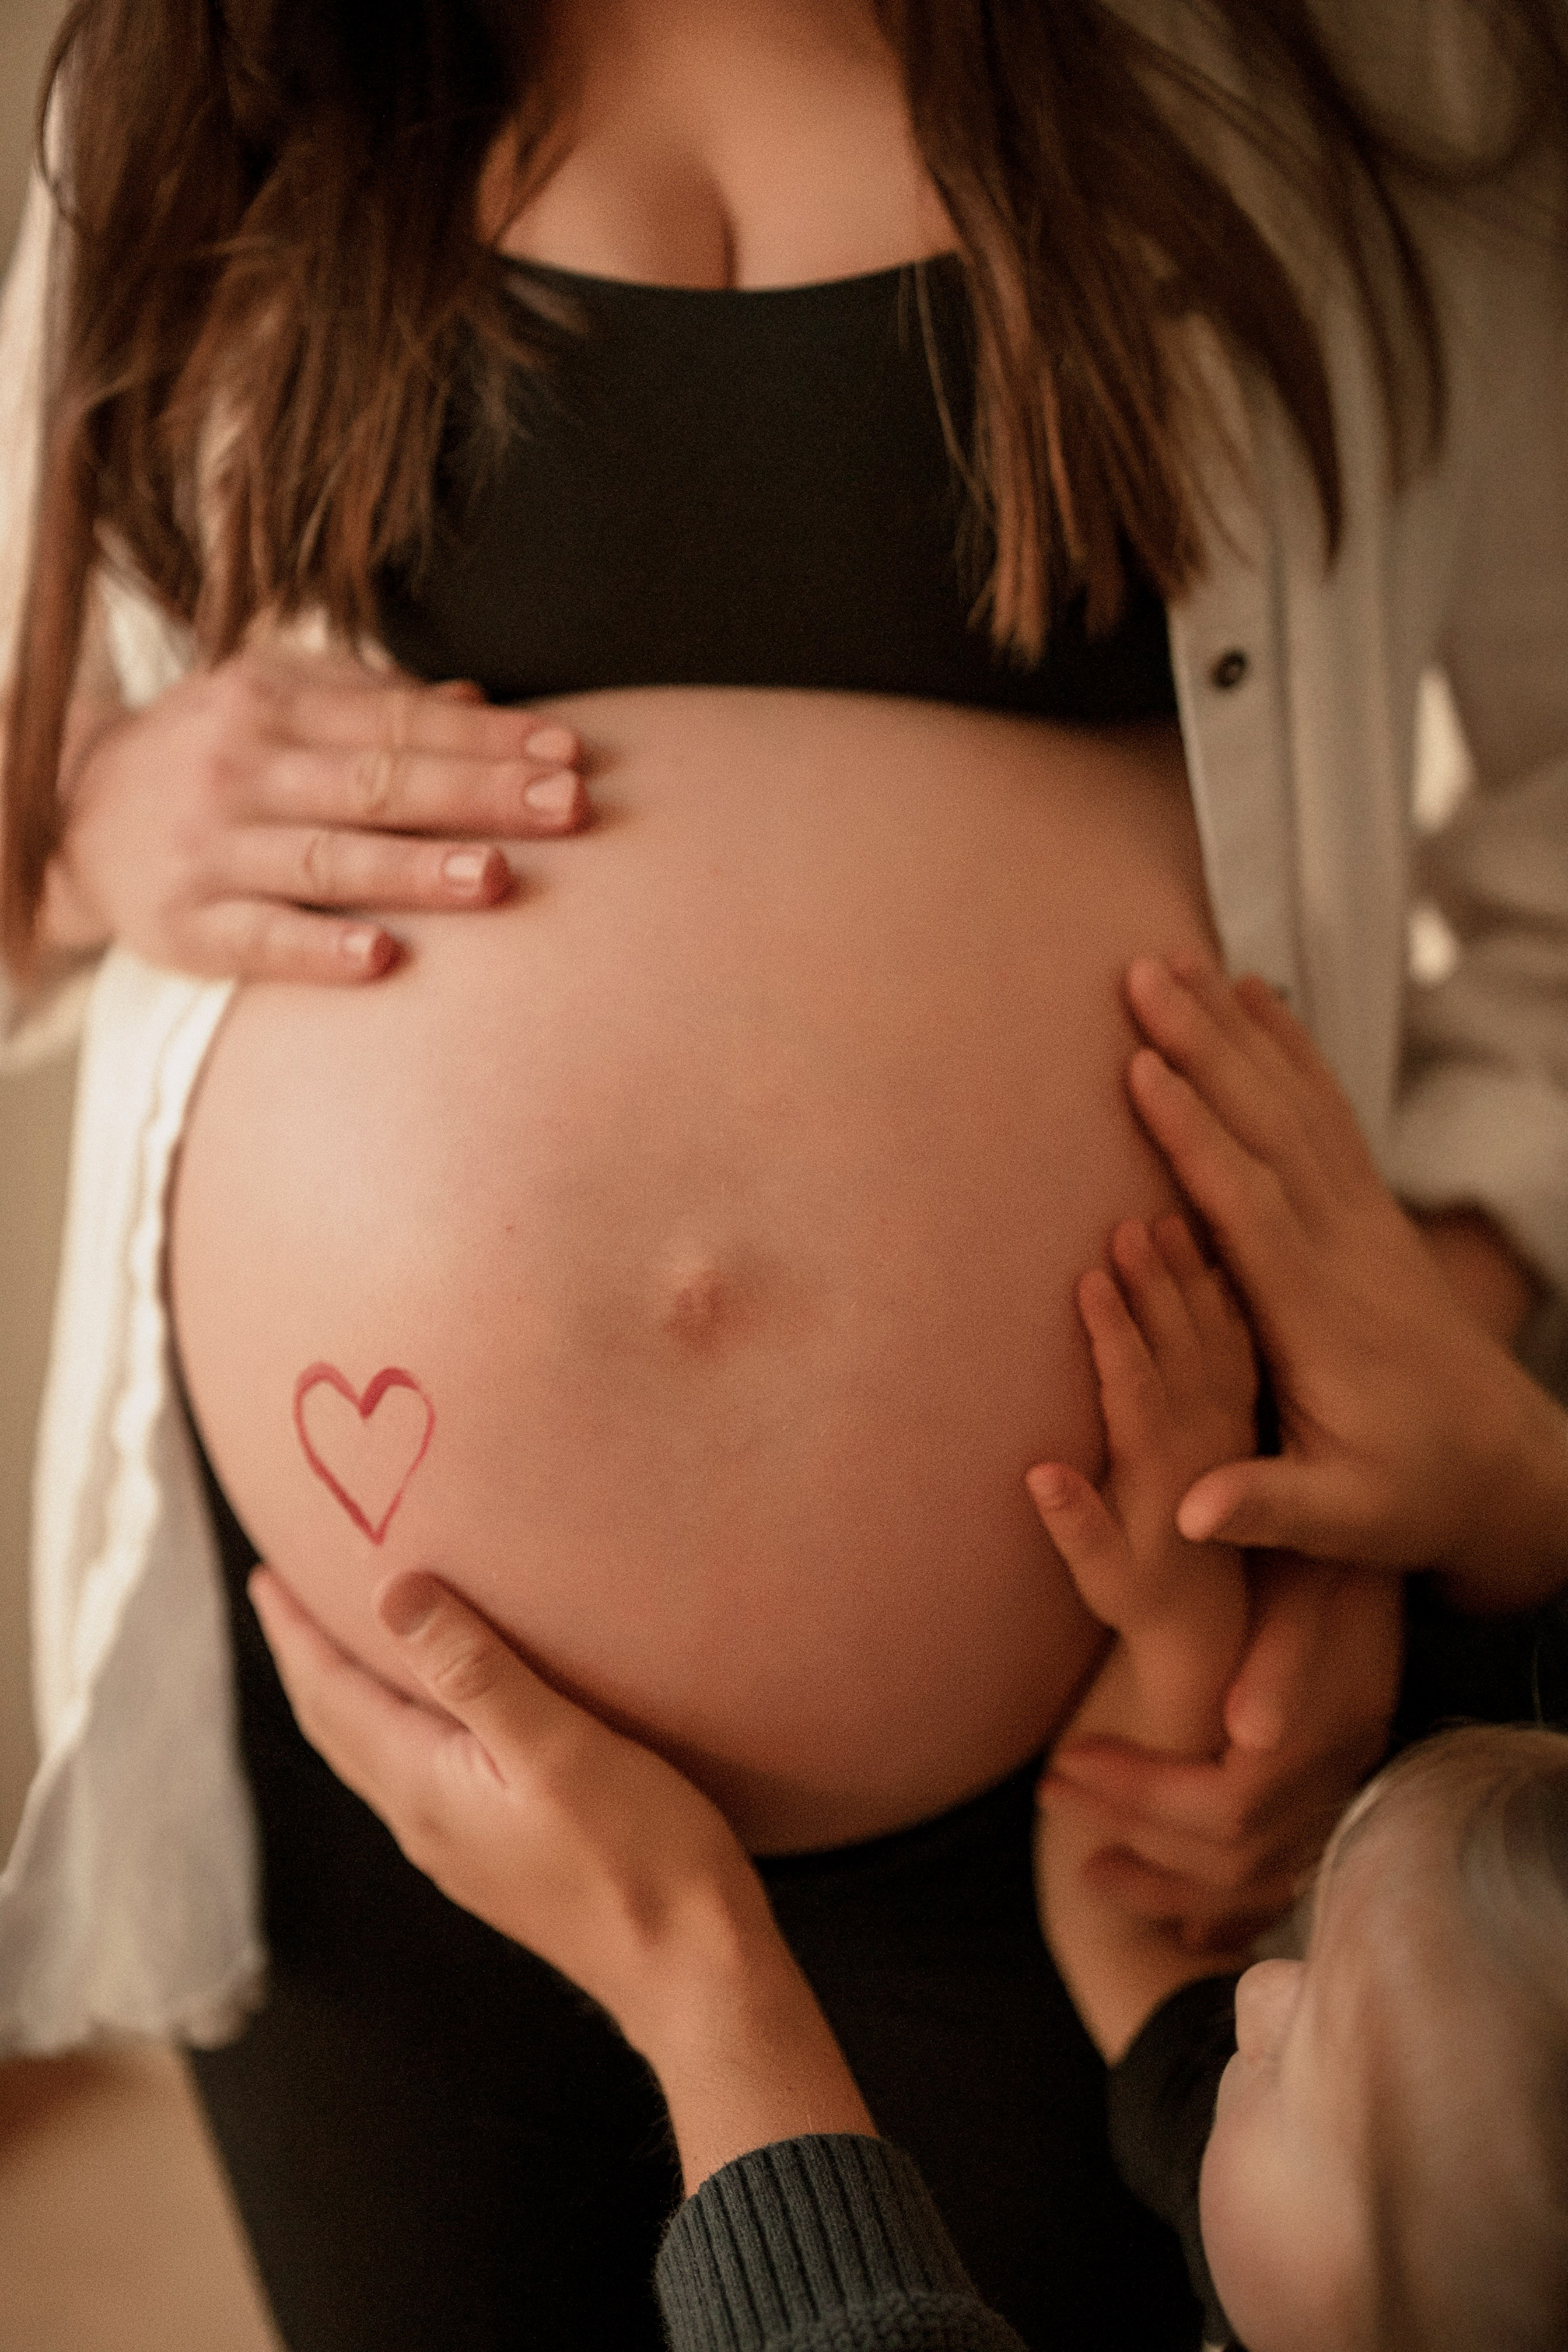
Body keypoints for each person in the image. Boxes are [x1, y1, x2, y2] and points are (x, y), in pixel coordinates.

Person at [1, 3, 1566, 2345]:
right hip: (372, 1744)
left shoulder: (1379, 47)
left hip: (1118, 1735)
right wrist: (95, 818)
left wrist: (1407, 1379)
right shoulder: (206, 54)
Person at [255, 960, 1568, 2352]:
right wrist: (1179, 1621)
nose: (1255, 1985)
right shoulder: (1294, 2209)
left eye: (1304, 2057)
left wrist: (692, 1969)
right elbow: (1119, 1910)